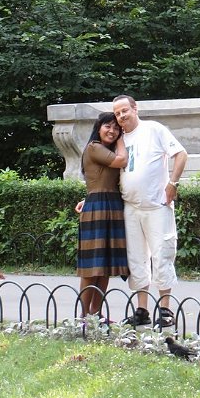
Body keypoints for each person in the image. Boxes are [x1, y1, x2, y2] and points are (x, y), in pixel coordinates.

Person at [112, 93, 188, 328]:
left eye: (125, 110)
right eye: (117, 113)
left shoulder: (154, 129)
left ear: (135, 109)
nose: (121, 116)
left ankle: (165, 310)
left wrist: (172, 183)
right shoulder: (118, 139)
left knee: (162, 254)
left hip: (157, 205)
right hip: (130, 206)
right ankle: (142, 310)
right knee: (136, 258)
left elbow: (181, 154)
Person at [74, 112, 128, 317]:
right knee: (92, 267)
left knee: (105, 267)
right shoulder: (94, 147)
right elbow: (121, 161)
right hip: (97, 208)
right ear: (98, 128)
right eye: (108, 126)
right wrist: (121, 138)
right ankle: (82, 318)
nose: (112, 131)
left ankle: (96, 314)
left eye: (116, 128)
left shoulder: (107, 150)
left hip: (113, 206)